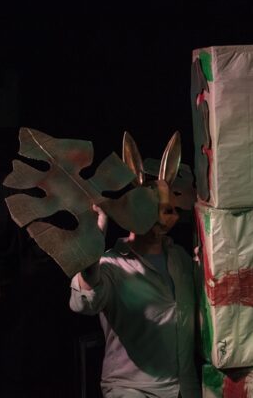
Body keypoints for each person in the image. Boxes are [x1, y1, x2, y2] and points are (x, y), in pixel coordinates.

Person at [69, 132, 200, 398]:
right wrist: (92, 249)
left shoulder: (181, 260)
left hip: (184, 389)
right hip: (132, 390)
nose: (162, 217)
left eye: (168, 209)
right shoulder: (112, 265)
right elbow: (84, 302)